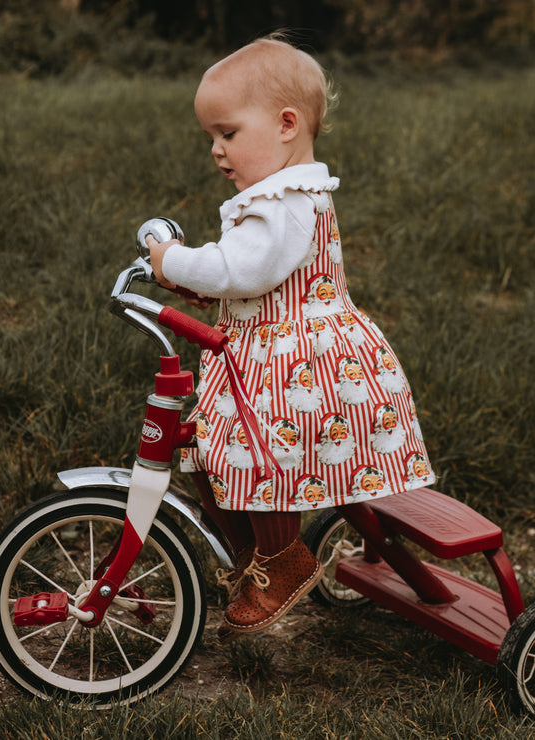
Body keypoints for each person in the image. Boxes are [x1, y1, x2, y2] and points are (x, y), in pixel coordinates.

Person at [148, 35, 436, 642]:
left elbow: (241, 269)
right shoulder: (283, 194)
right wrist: (209, 292)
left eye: (227, 132)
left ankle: (282, 561)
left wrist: (173, 262)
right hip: (264, 352)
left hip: (295, 362)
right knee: (216, 453)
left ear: (285, 125)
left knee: (262, 459)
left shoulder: (285, 203)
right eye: (212, 137)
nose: (216, 150)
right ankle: (257, 557)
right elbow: (254, 277)